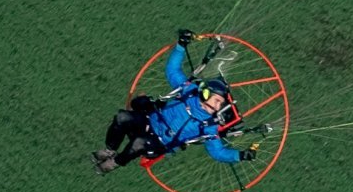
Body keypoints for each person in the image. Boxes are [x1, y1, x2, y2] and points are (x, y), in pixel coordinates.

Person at [93, 30, 255, 174]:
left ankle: (115, 163)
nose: (219, 106)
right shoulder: (189, 91)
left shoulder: (210, 126)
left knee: (138, 143)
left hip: (159, 143)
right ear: (206, 93)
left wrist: (239, 155)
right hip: (149, 122)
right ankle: (109, 151)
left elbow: (218, 152)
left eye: (221, 103)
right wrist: (181, 46)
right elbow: (173, 70)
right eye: (218, 100)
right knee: (122, 117)